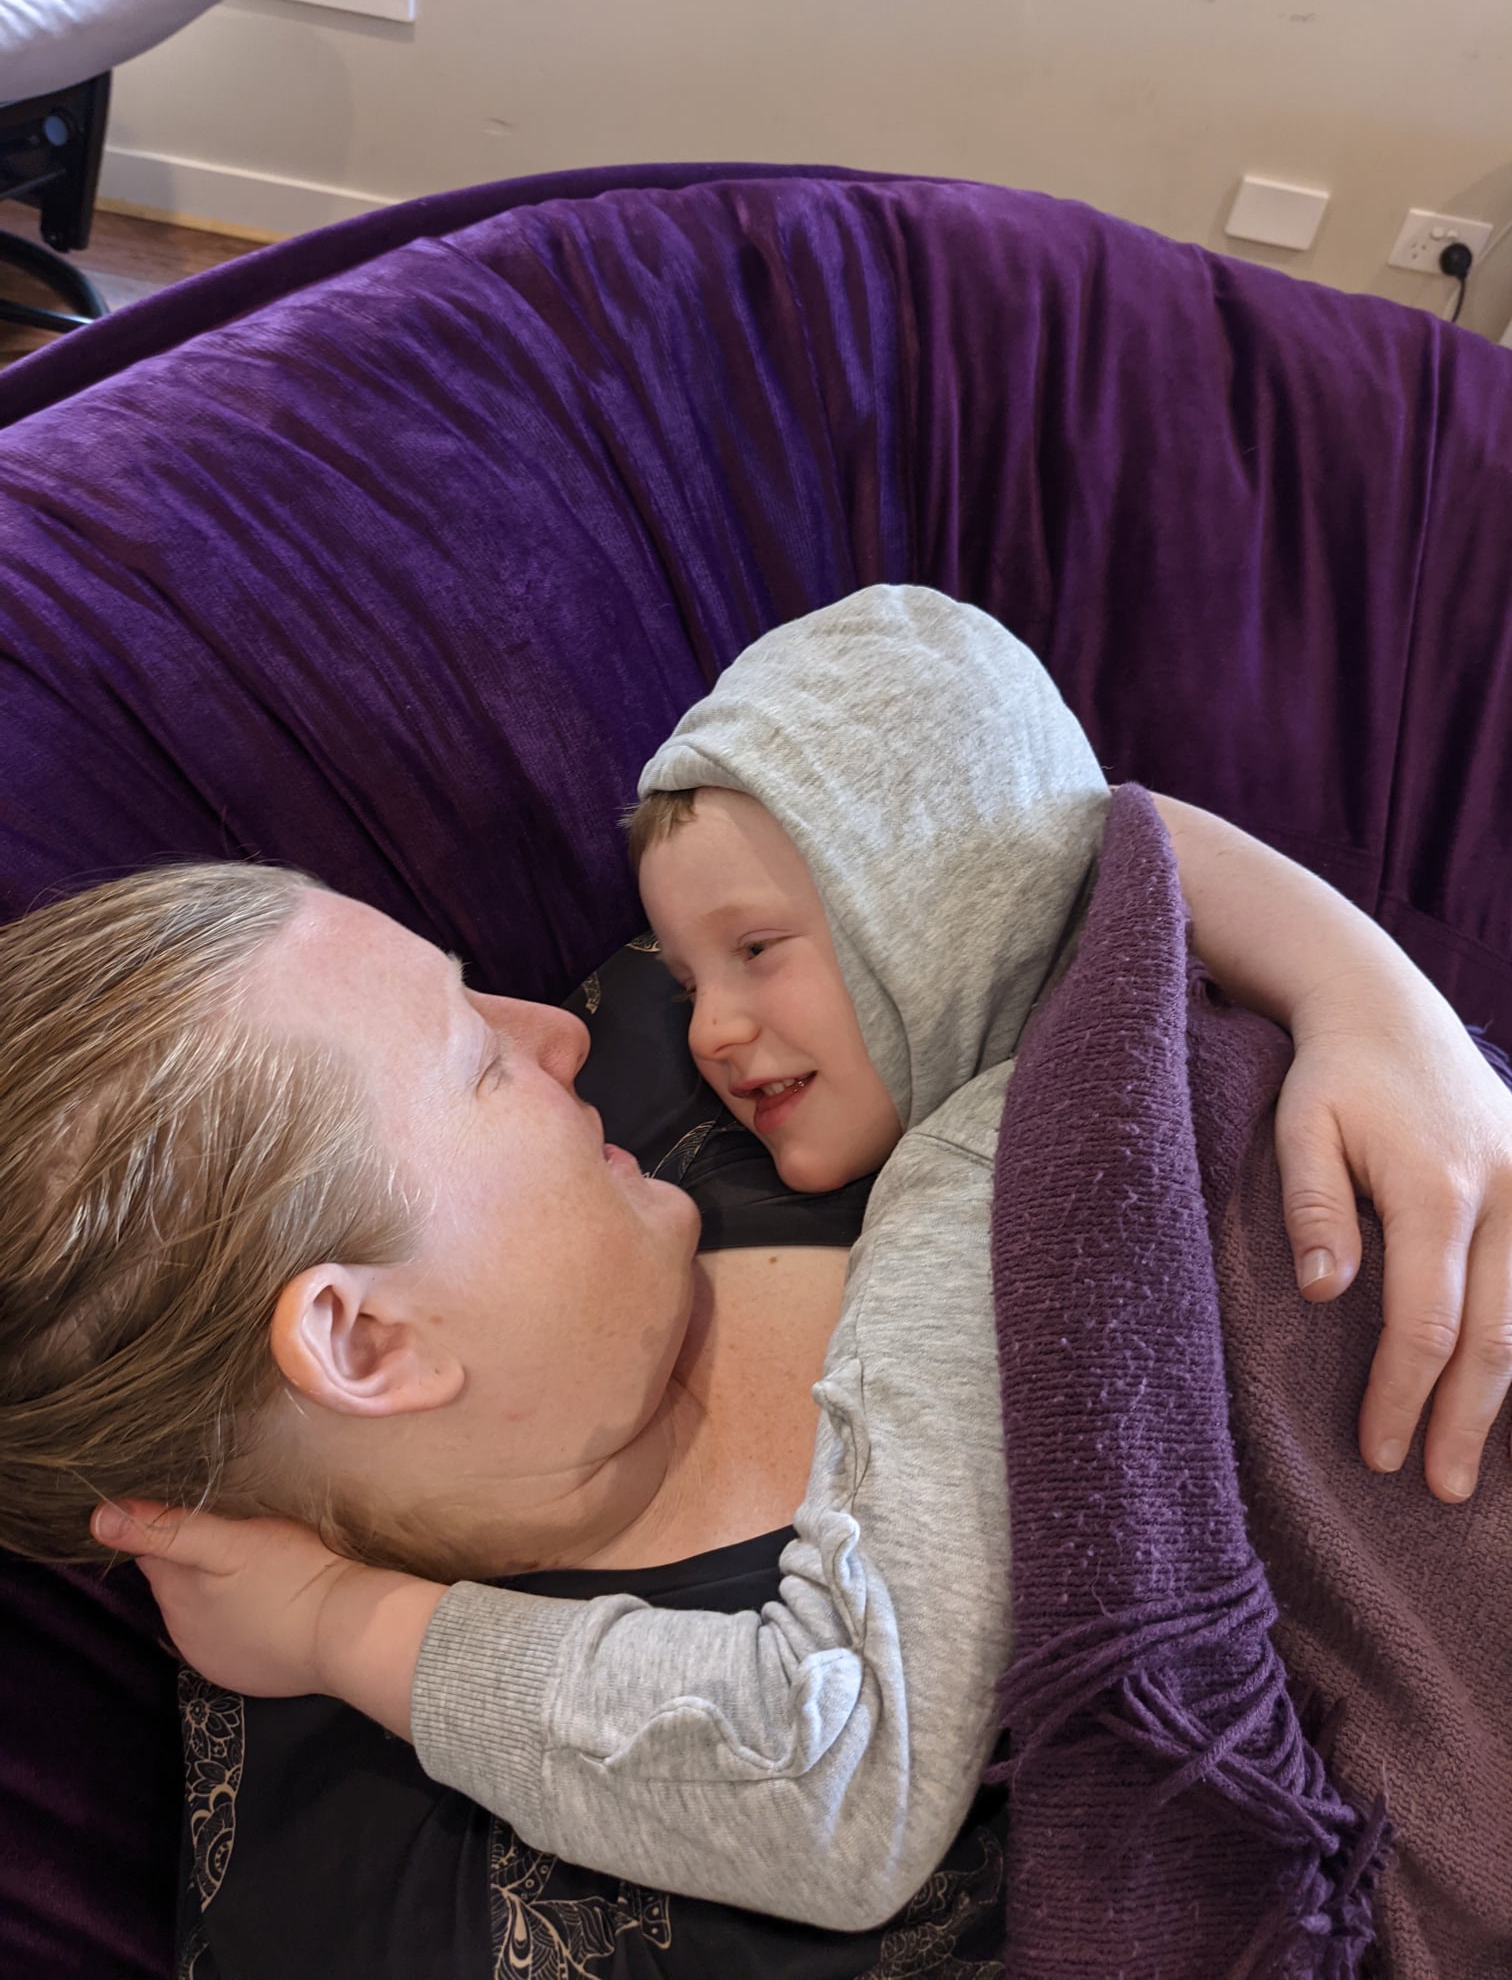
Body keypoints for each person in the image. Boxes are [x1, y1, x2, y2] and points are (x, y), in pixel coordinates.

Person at [21, 590, 1512, 1932]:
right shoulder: (403, 1879)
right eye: (477, 1056)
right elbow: (836, 1771)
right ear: (366, 1343)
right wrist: (348, 1632)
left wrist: (1378, 1007)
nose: (570, 1028)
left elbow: (1042, 841)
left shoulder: (704, 1078)